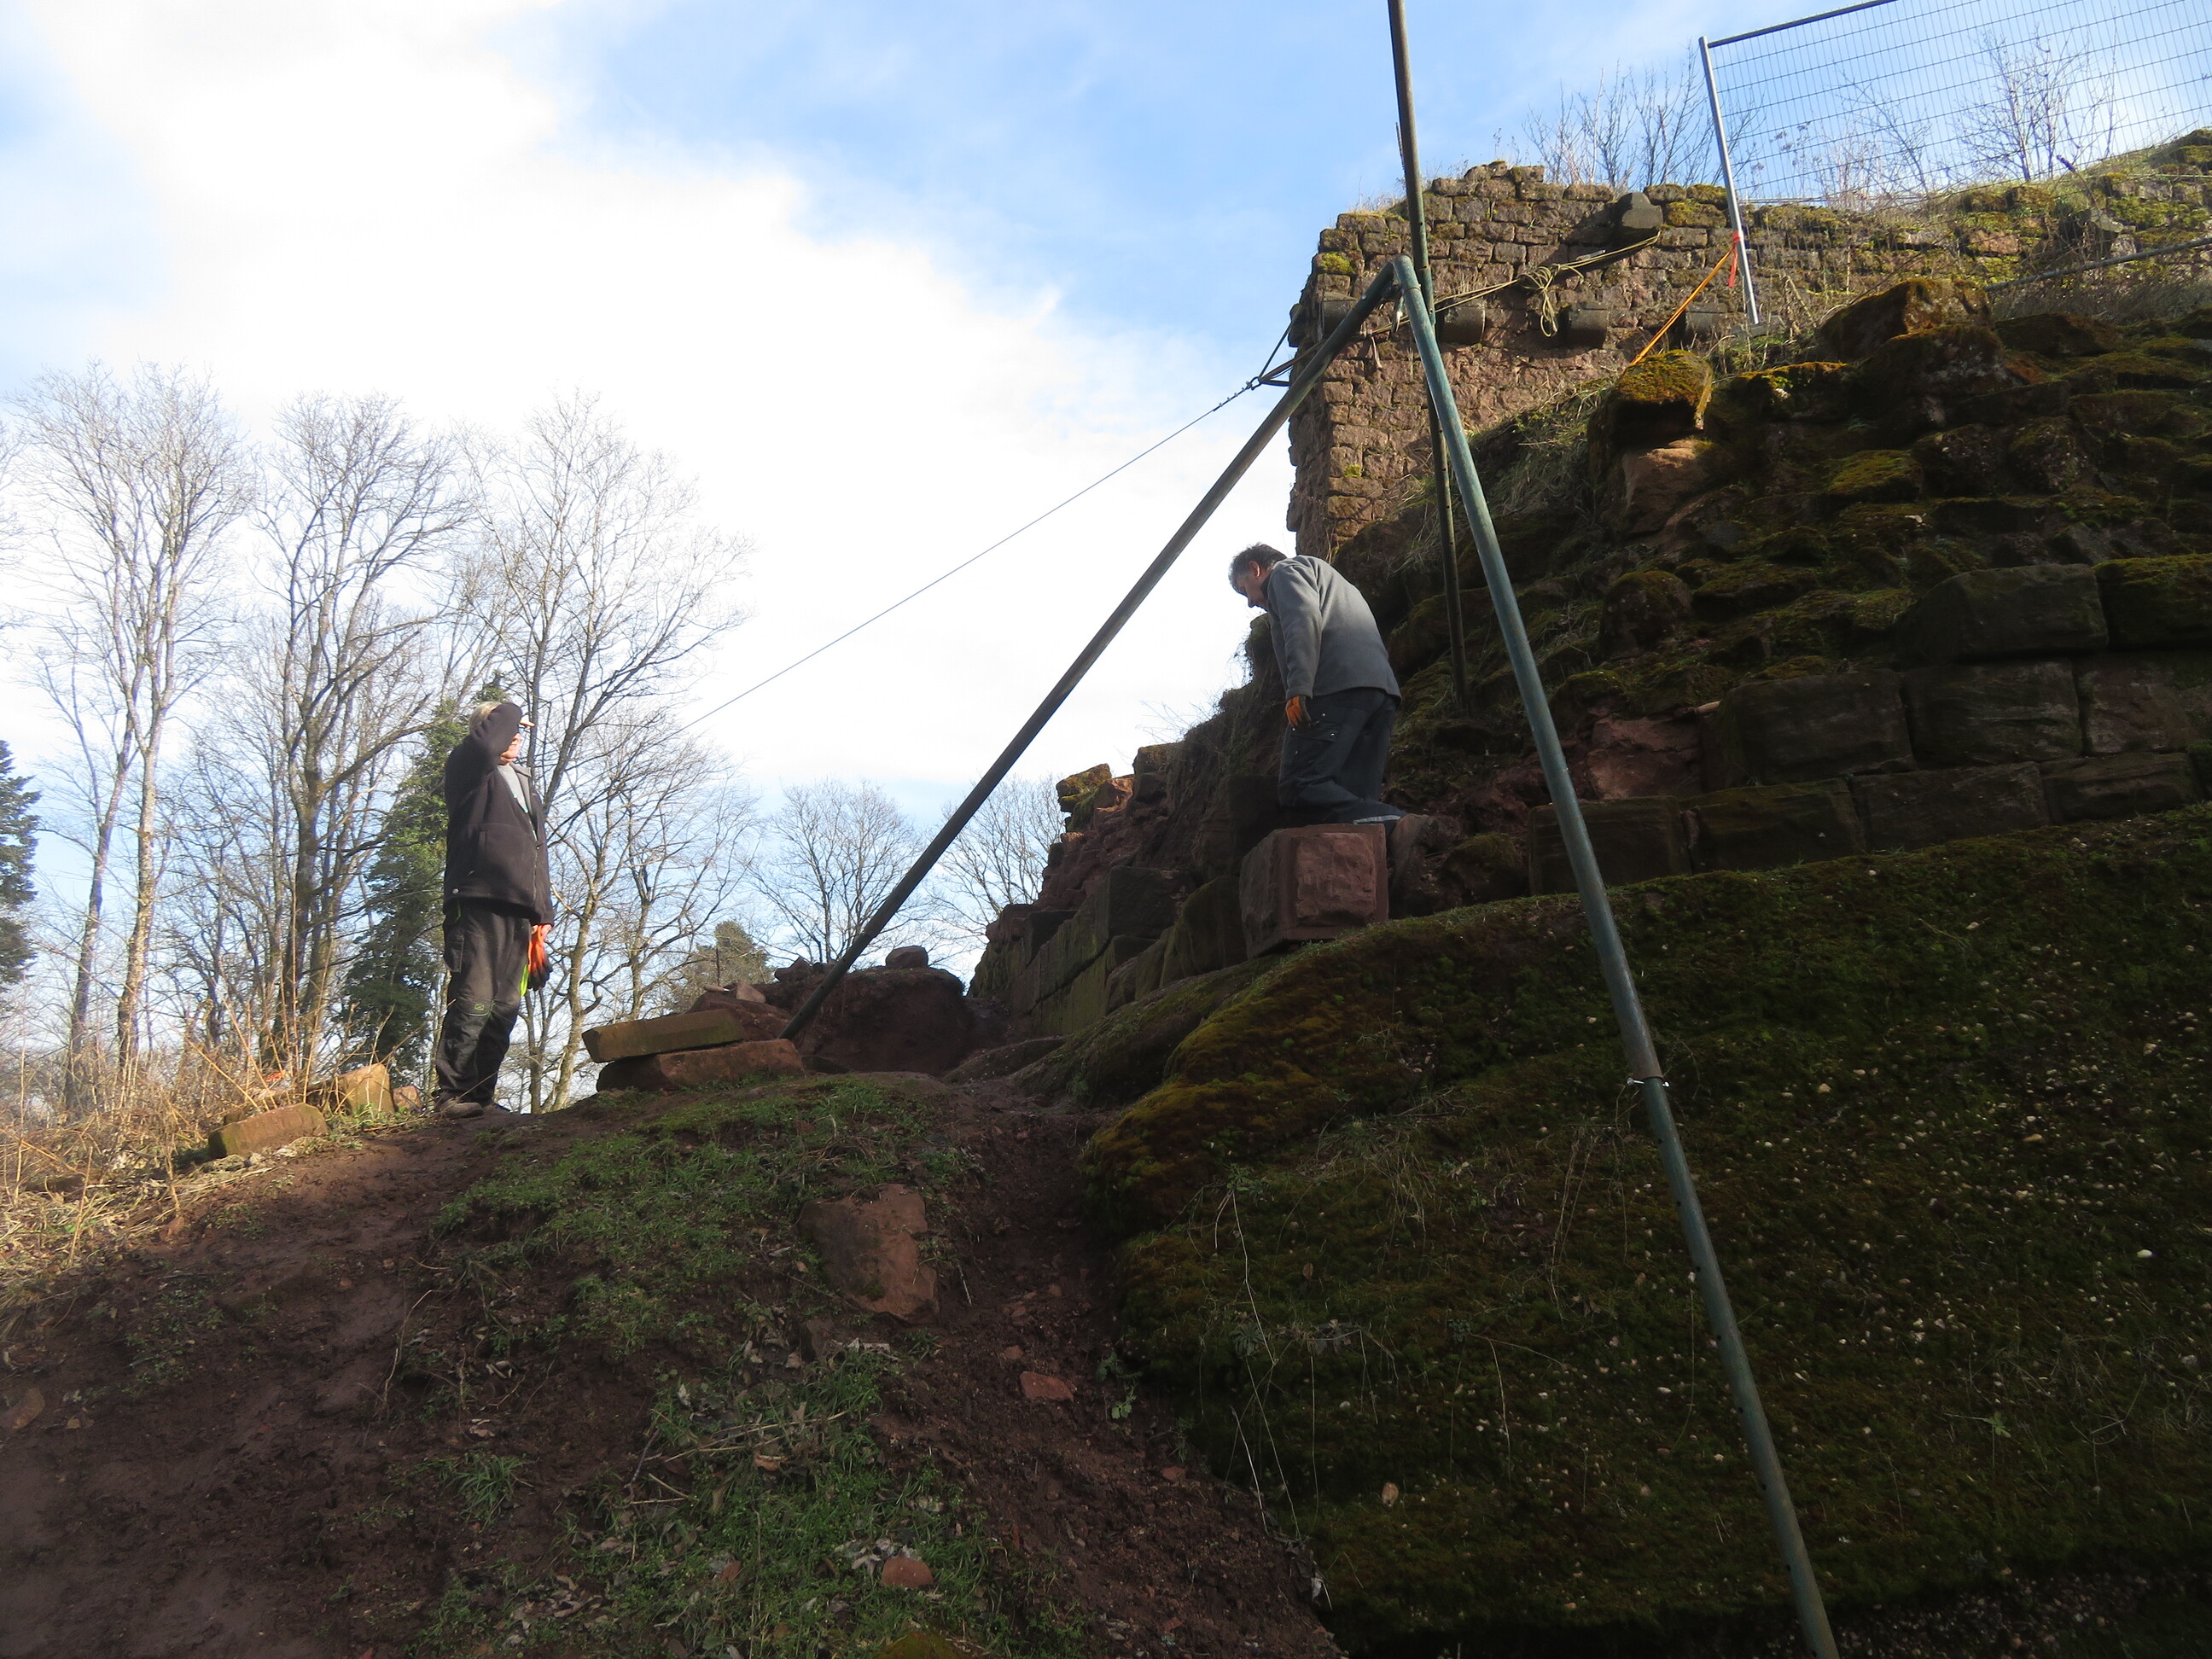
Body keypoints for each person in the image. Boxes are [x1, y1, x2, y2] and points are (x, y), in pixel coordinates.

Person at [1229, 543, 1404, 824]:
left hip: (1335, 690)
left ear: (1255, 569)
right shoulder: (1331, 581)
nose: (1249, 602)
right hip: (1381, 693)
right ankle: (1399, 831)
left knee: (1299, 786)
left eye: (1243, 588)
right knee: (1357, 799)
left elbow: (1302, 621)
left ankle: (1400, 821)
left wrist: (1298, 688)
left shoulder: (1284, 573)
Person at [434, 700, 551, 1117]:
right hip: (477, 898)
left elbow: (538, 850)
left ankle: (480, 1098)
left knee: (504, 1008)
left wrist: (543, 912)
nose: (515, 736)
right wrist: (512, 708)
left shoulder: (524, 781)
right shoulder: (468, 767)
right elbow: (487, 745)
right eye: (509, 729)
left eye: (519, 732)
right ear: (487, 731)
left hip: (521, 909)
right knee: (473, 1000)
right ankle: (451, 1097)